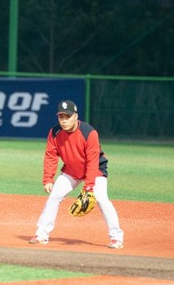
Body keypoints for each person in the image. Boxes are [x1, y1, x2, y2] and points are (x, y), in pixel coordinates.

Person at [30, 100, 124, 249]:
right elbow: (51, 155)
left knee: (101, 199)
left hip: (95, 170)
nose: (64, 121)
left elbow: (92, 161)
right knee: (54, 196)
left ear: (76, 116)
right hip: (71, 170)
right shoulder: (55, 132)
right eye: (61, 117)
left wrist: (89, 187)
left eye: (67, 117)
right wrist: (48, 178)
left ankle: (116, 237)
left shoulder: (89, 133)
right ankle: (41, 235)